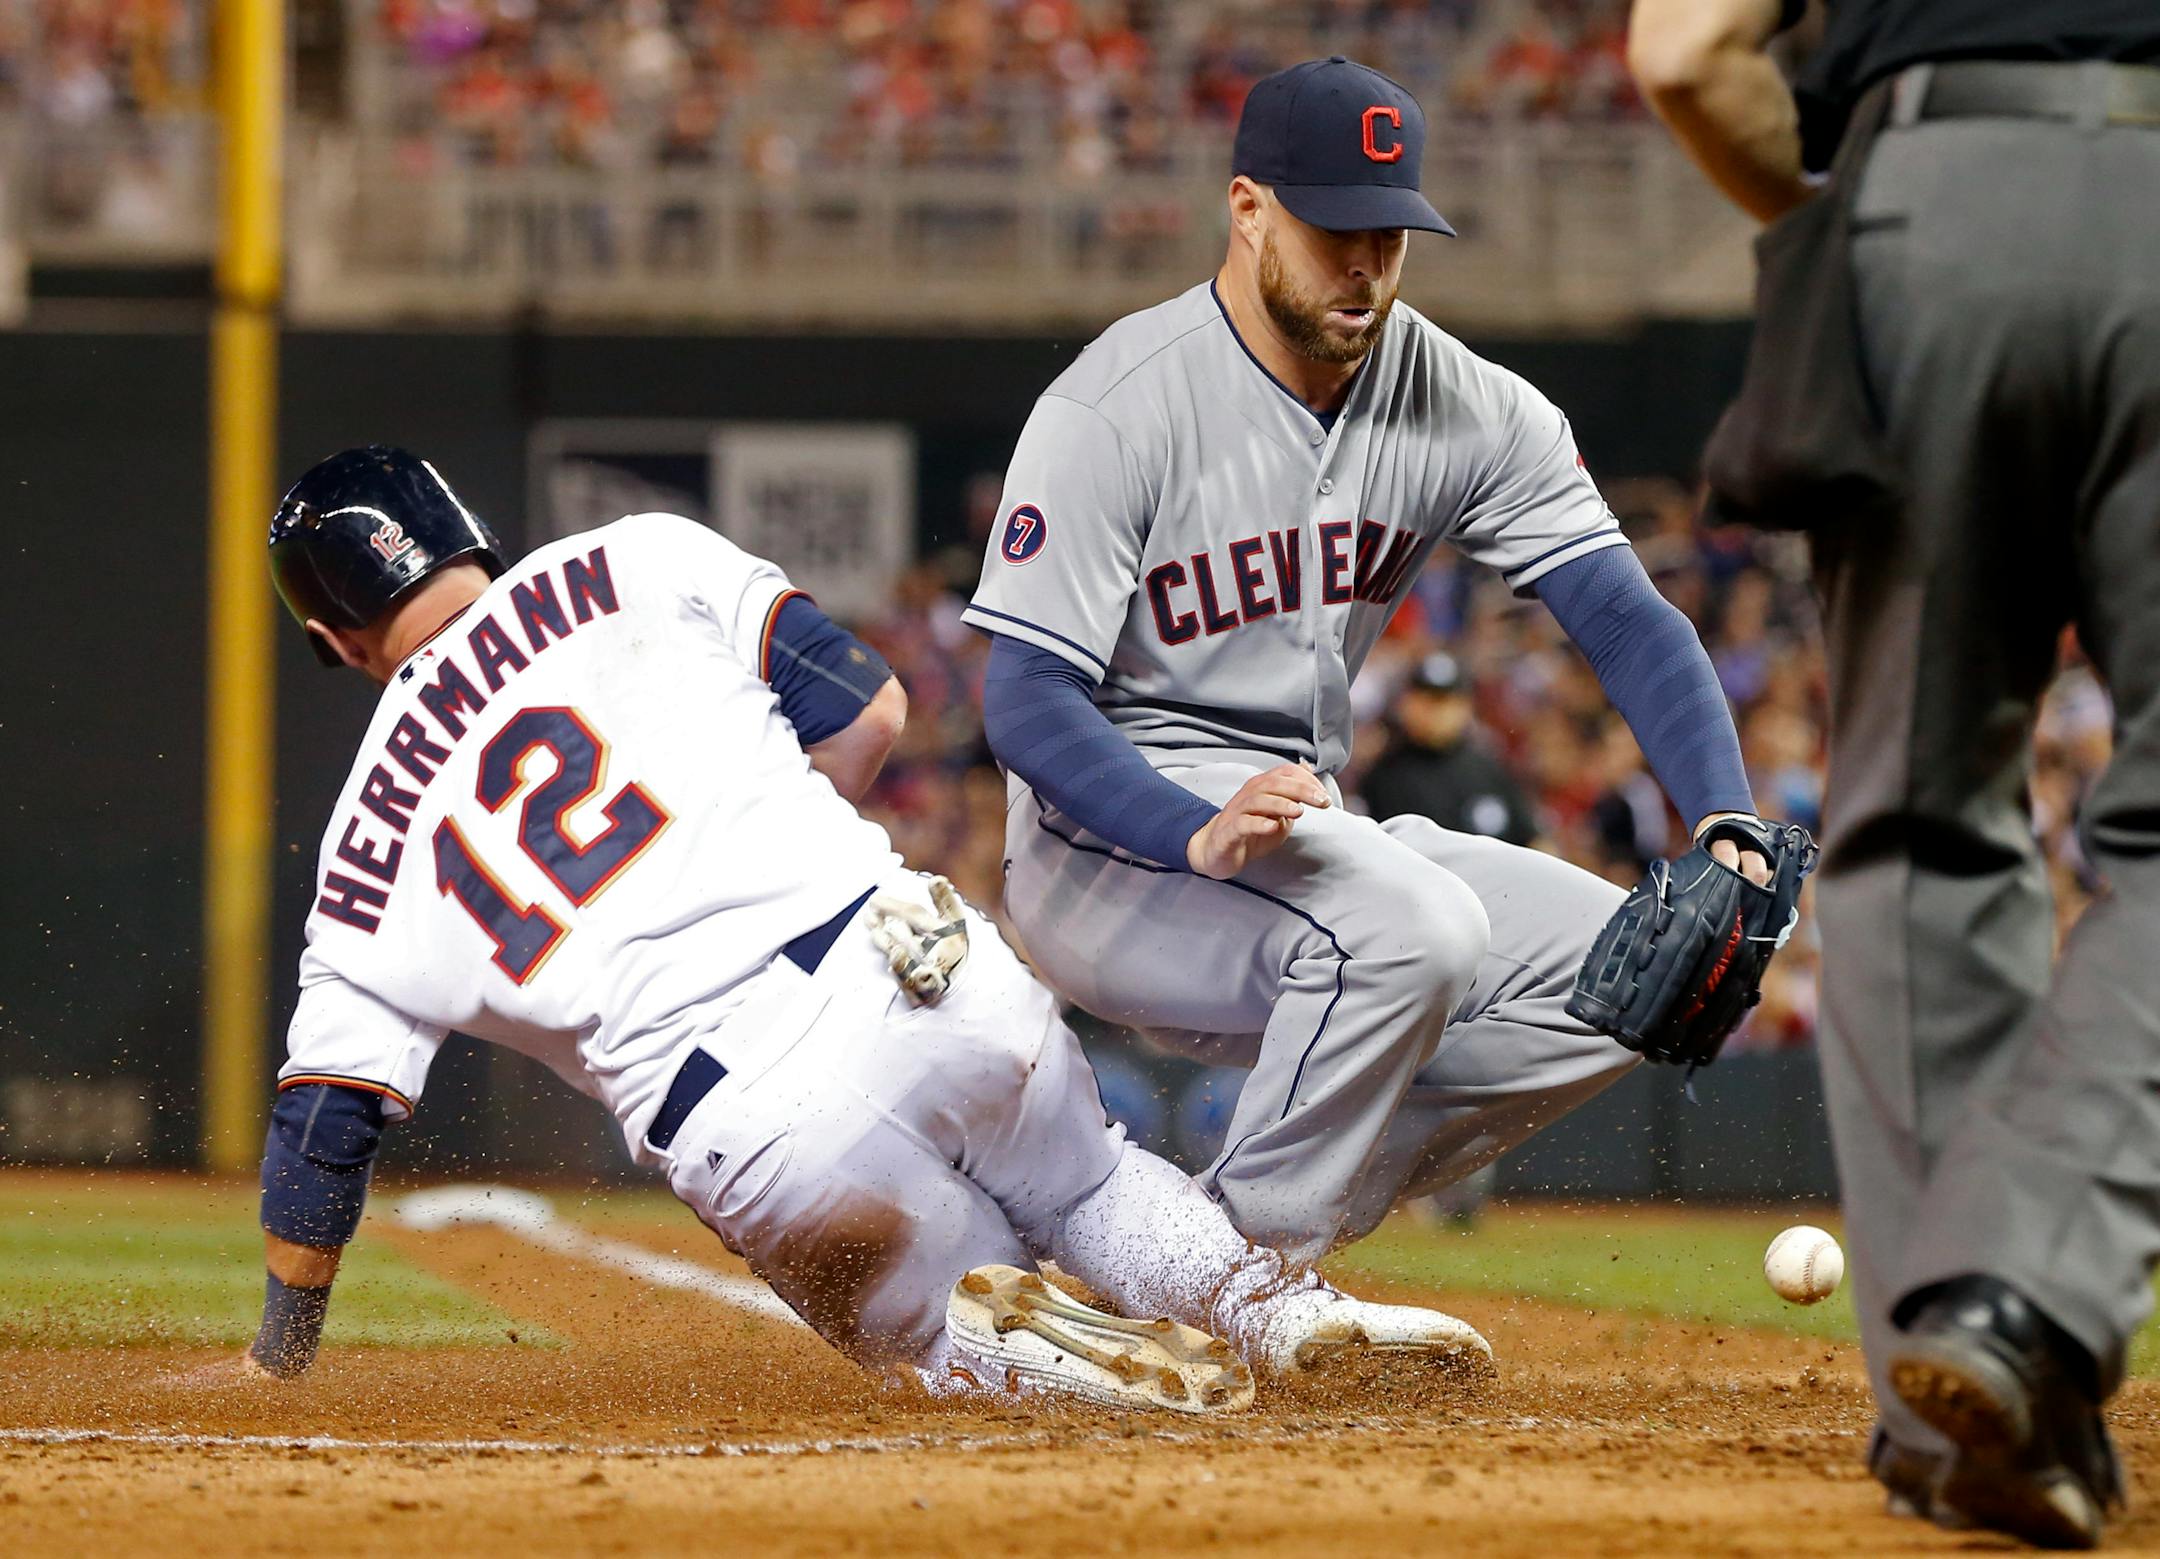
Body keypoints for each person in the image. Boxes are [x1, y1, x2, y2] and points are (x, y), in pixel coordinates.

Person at [223, 445, 1493, 1409]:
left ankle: (1031, 1348)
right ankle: (1275, 1309)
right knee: (1094, 1177)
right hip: (907, 955)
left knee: (936, 1329)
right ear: (466, 535)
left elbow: (325, 1131)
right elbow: (870, 710)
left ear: (337, 638)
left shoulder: (363, 847)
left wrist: (283, 1350)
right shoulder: (636, 559)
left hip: (748, 1118)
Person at [967, 57, 1782, 1287]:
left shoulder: (1466, 402)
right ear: (1248, 210)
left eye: (1389, 233)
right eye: (1333, 227)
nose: (1366, 264)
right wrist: (1191, 828)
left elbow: (1623, 614)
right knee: (1412, 923)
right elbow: (1023, 700)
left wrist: (1725, 813)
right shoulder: (1117, 403)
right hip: (1111, 843)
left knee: (1642, 974)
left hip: (1303, 819)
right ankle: (1221, 1277)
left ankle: (1207, 1240)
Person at [1629, 0, 2160, 1545]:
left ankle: (1952, 1389)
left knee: (1913, 821)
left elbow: (1683, 54)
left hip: (1917, 207)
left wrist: (1865, 226)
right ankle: (2019, 1293)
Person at [1360, 652, 1541, 850]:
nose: (1434, 712)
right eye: (1424, 699)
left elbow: (1533, 839)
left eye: (1443, 701)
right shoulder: (1384, 778)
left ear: (1465, 707)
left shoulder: (1488, 768)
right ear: (1405, 704)